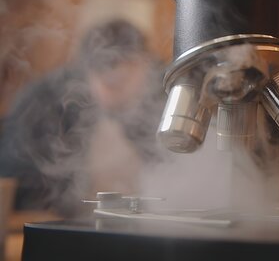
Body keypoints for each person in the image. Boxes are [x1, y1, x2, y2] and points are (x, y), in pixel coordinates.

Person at [0, 19, 167, 217]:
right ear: (87, 70)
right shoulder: (47, 105)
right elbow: (17, 183)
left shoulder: (158, 95)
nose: (115, 89)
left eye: (124, 81)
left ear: (145, 64)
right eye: (110, 83)